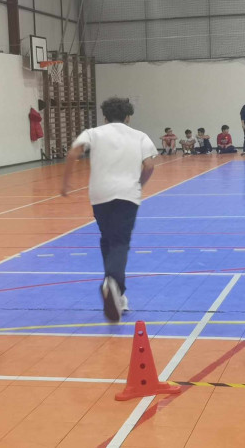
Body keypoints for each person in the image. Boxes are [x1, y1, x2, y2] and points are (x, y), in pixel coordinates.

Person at [61, 98, 158, 322]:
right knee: (120, 242)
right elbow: (149, 165)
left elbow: (73, 153)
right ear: (128, 117)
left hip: (99, 195)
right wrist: (139, 184)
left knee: (108, 239)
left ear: (104, 117)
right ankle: (114, 282)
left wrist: (65, 183)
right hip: (128, 195)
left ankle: (118, 296)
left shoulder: (93, 133)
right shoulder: (140, 136)